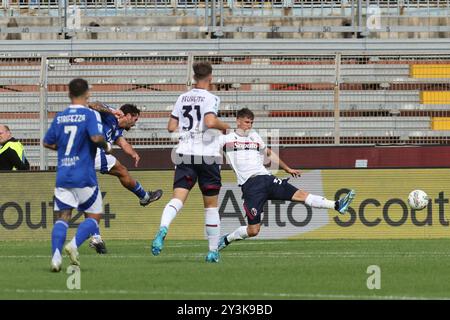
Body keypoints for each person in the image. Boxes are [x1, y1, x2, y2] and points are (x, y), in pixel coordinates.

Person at [217, 108, 356, 250]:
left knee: (301, 195)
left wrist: (287, 168)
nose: (249, 125)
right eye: (247, 122)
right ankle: (227, 239)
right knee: (253, 231)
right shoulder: (226, 139)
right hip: (251, 185)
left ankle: (337, 205)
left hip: (267, 179)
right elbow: (210, 152)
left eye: (251, 122)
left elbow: (269, 153)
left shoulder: (254, 136)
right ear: (238, 121)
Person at [151, 61, 230, 263]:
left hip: (185, 152)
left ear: (194, 77)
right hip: (207, 154)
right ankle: (213, 251)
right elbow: (210, 122)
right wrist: (225, 126)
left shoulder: (182, 97)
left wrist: (187, 131)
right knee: (211, 206)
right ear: (210, 78)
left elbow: (171, 127)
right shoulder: (212, 98)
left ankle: (163, 228)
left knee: (177, 199)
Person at [43, 78, 111, 272]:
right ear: (87, 93)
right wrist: (107, 146)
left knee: (62, 217)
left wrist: (64, 149)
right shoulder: (88, 114)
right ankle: (73, 245)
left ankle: (56, 258)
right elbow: (96, 137)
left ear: (68, 94)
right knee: (95, 215)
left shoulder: (61, 116)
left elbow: (47, 142)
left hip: (63, 174)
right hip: (84, 174)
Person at [86, 102, 163, 254]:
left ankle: (96, 238)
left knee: (92, 197)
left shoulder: (118, 130)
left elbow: (122, 142)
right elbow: (92, 104)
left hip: (83, 157)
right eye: (135, 119)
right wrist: (111, 110)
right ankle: (144, 197)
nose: (135, 124)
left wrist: (133, 153)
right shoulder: (110, 115)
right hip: (92, 152)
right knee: (121, 170)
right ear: (128, 116)